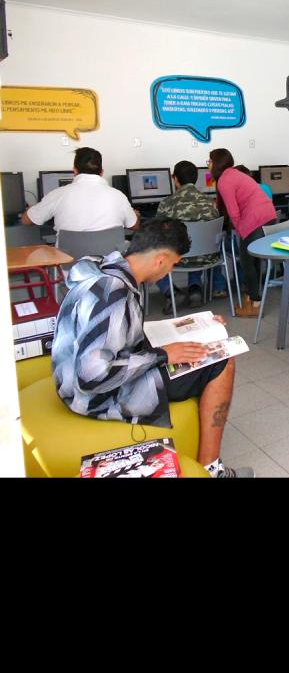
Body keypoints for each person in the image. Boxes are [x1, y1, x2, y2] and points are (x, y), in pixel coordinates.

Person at [50, 218, 252, 478]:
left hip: (70, 380)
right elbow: (91, 377)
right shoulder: (113, 293)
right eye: (173, 264)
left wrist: (198, 325)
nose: (169, 272)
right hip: (92, 397)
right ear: (160, 260)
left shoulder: (105, 267)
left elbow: (117, 329)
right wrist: (162, 355)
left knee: (198, 345)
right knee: (222, 361)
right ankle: (211, 469)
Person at [209, 148, 276, 316]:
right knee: (255, 261)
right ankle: (253, 299)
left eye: (210, 161)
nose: (208, 164)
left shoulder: (224, 180)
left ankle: (254, 305)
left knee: (247, 262)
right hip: (268, 214)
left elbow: (233, 212)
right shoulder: (235, 174)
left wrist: (240, 231)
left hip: (254, 219)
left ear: (216, 163)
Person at [154, 160, 228, 313]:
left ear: (175, 179)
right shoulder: (211, 203)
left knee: (150, 248)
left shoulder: (167, 203)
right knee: (196, 243)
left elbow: (157, 231)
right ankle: (195, 288)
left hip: (180, 259)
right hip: (208, 257)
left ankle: (171, 291)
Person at [22, 146, 140, 232]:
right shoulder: (118, 196)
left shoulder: (58, 194)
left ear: (74, 171)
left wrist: (34, 210)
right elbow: (135, 226)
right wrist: (135, 215)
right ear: (102, 172)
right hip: (109, 259)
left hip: (68, 259)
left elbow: (26, 221)